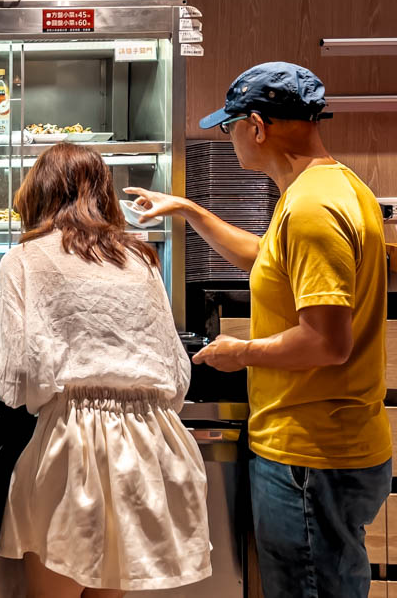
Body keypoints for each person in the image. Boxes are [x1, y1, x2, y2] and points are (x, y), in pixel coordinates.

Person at [126, 61, 391, 597]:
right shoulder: (329, 186)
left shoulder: (313, 207)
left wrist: (242, 352)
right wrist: (187, 209)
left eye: (228, 128)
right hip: (322, 446)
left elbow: (326, 341)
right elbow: (266, 260)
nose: (228, 141)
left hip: (310, 455)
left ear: (256, 125)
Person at [0, 143, 212, 597]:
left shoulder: (24, 259)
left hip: (73, 448)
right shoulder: (142, 259)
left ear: (38, 193)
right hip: (151, 448)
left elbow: (17, 381)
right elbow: (175, 376)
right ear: (104, 194)